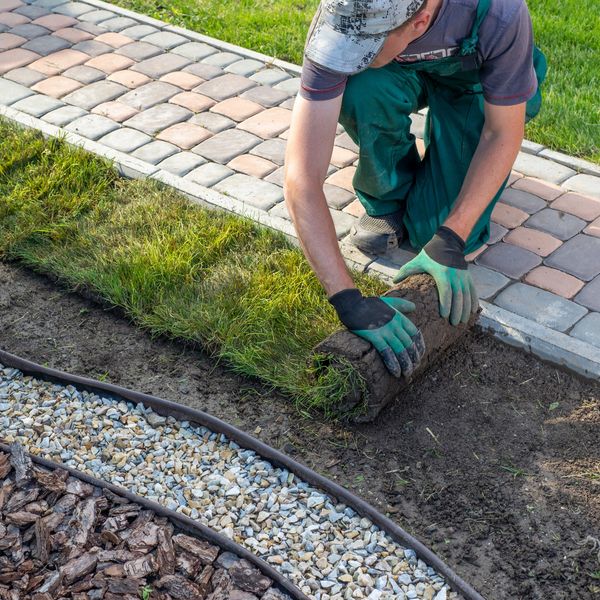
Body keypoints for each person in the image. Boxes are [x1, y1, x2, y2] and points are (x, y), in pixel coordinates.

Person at [284, 0, 546, 378]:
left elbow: (502, 131)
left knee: (434, 232)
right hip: (395, 71)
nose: (349, 53)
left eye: (365, 46)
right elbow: (301, 176)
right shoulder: (345, 19)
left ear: (420, 21)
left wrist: (451, 238)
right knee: (360, 85)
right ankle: (386, 199)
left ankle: (447, 154)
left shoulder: (500, 12)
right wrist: (346, 298)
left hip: (472, 80)